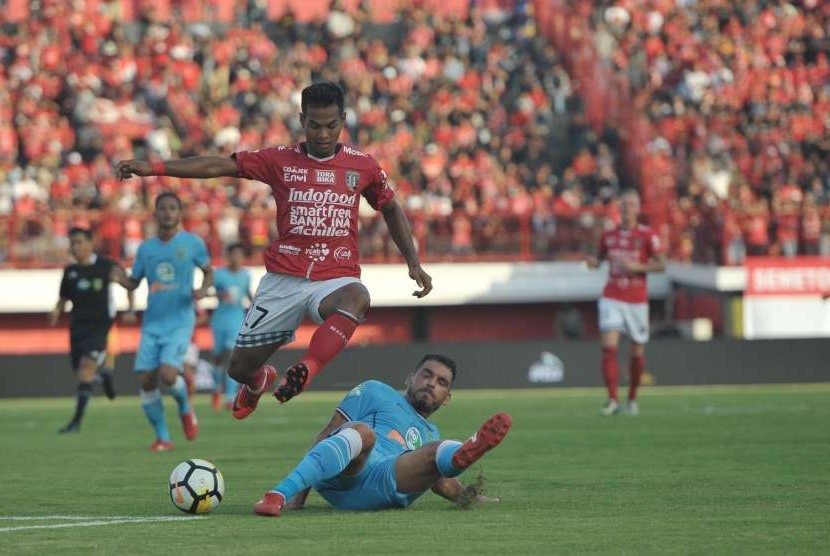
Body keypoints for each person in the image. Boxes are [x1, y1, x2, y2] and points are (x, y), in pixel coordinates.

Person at [115, 81, 432, 421]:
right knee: (239, 368)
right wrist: (154, 168)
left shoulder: (364, 166)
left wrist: (412, 263)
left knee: (358, 296)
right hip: (284, 278)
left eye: (331, 125)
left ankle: (306, 370)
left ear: (342, 120)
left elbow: (391, 208)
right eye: (314, 125)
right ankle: (257, 381)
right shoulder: (279, 160)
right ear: (301, 120)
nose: (323, 134)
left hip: (334, 277)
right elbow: (218, 166)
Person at [252, 354, 512, 516]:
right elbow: (328, 433)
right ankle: (279, 494)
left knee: (435, 450)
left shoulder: (430, 432)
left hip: (385, 486)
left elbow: (441, 484)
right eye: (426, 375)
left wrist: (470, 496)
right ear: (410, 378)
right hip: (349, 473)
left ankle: (462, 452)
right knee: (363, 433)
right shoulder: (375, 390)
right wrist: (298, 497)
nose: (431, 383)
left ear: (447, 398)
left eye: (442, 382)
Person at [111, 193, 214, 451]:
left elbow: (209, 271)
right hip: (152, 324)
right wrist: (121, 280)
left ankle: (185, 408)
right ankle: (163, 438)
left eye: (172, 208)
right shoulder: (146, 249)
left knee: (168, 375)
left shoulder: (192, 243)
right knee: (146, 379)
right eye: (162, 208)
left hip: (180, 321)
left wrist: (202, 290)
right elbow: (134, 282)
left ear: (179, 213)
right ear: (155, 213)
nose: (167, 212)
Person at [48, 227, 135, 434]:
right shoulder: (70, 272)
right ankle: (104, 376)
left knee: (86, 368)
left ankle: (76, 422)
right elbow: (63, 298)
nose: (75, 247)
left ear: (90, 243)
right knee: (82, 373)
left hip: (100, 327)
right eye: (72, 243)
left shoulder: (106, 266)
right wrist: (56, 311)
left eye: (79, 242)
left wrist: (130, 310)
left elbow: (129, 284)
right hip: (78, 327)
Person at [587, 190, 666, 416]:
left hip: (637, 299)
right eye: (623, 205)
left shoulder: (647, 235)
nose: (626, 209)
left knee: (636, 350)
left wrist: (637, 267)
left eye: (631, 205)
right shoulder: (608, 235)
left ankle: (632, 398)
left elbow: (661, 265)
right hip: (612, 295)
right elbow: (599, 258)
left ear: (638, 209)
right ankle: (612, 400)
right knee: (609, 345)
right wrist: (593, 261)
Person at [209, 243, 252, 410]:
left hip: (236, 319)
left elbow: (248, 294)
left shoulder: (245, 275)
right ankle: (215, 389)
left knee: (231, 356)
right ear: (228, 256)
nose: (238, 258)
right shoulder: (219, 275)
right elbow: (208, 291)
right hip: (220, 320)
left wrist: (256, 305)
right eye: (235, 255)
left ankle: (229, 397)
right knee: (218, 358)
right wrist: (221, 294)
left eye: (240, 255)